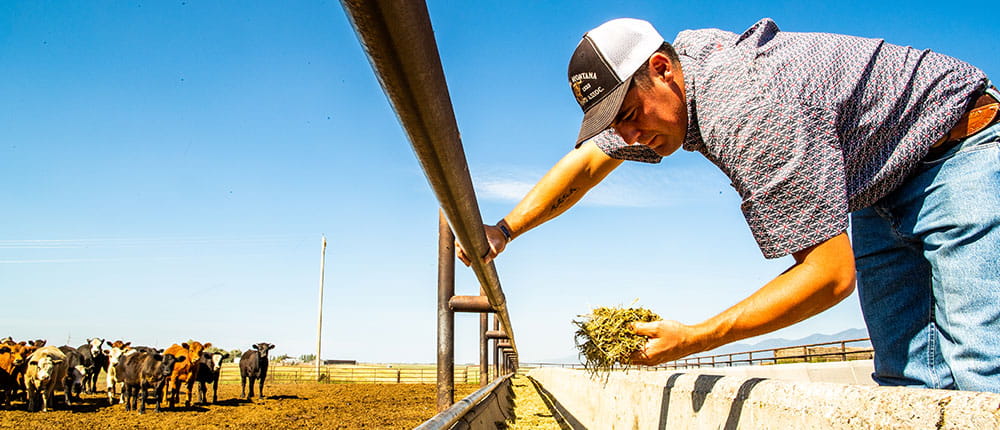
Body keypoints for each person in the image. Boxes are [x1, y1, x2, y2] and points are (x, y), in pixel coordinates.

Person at [456, 17, 1000, 392]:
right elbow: (588, 163)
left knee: (983, 369)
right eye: (612, 122)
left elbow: (829, 277)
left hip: (956, 151)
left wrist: (696, 337)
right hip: (876, 186)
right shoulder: (684, 74)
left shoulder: (746, 109)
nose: (626, 133)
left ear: (663, 70)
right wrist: (505, 229)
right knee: (907, 380)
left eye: (629, 111)